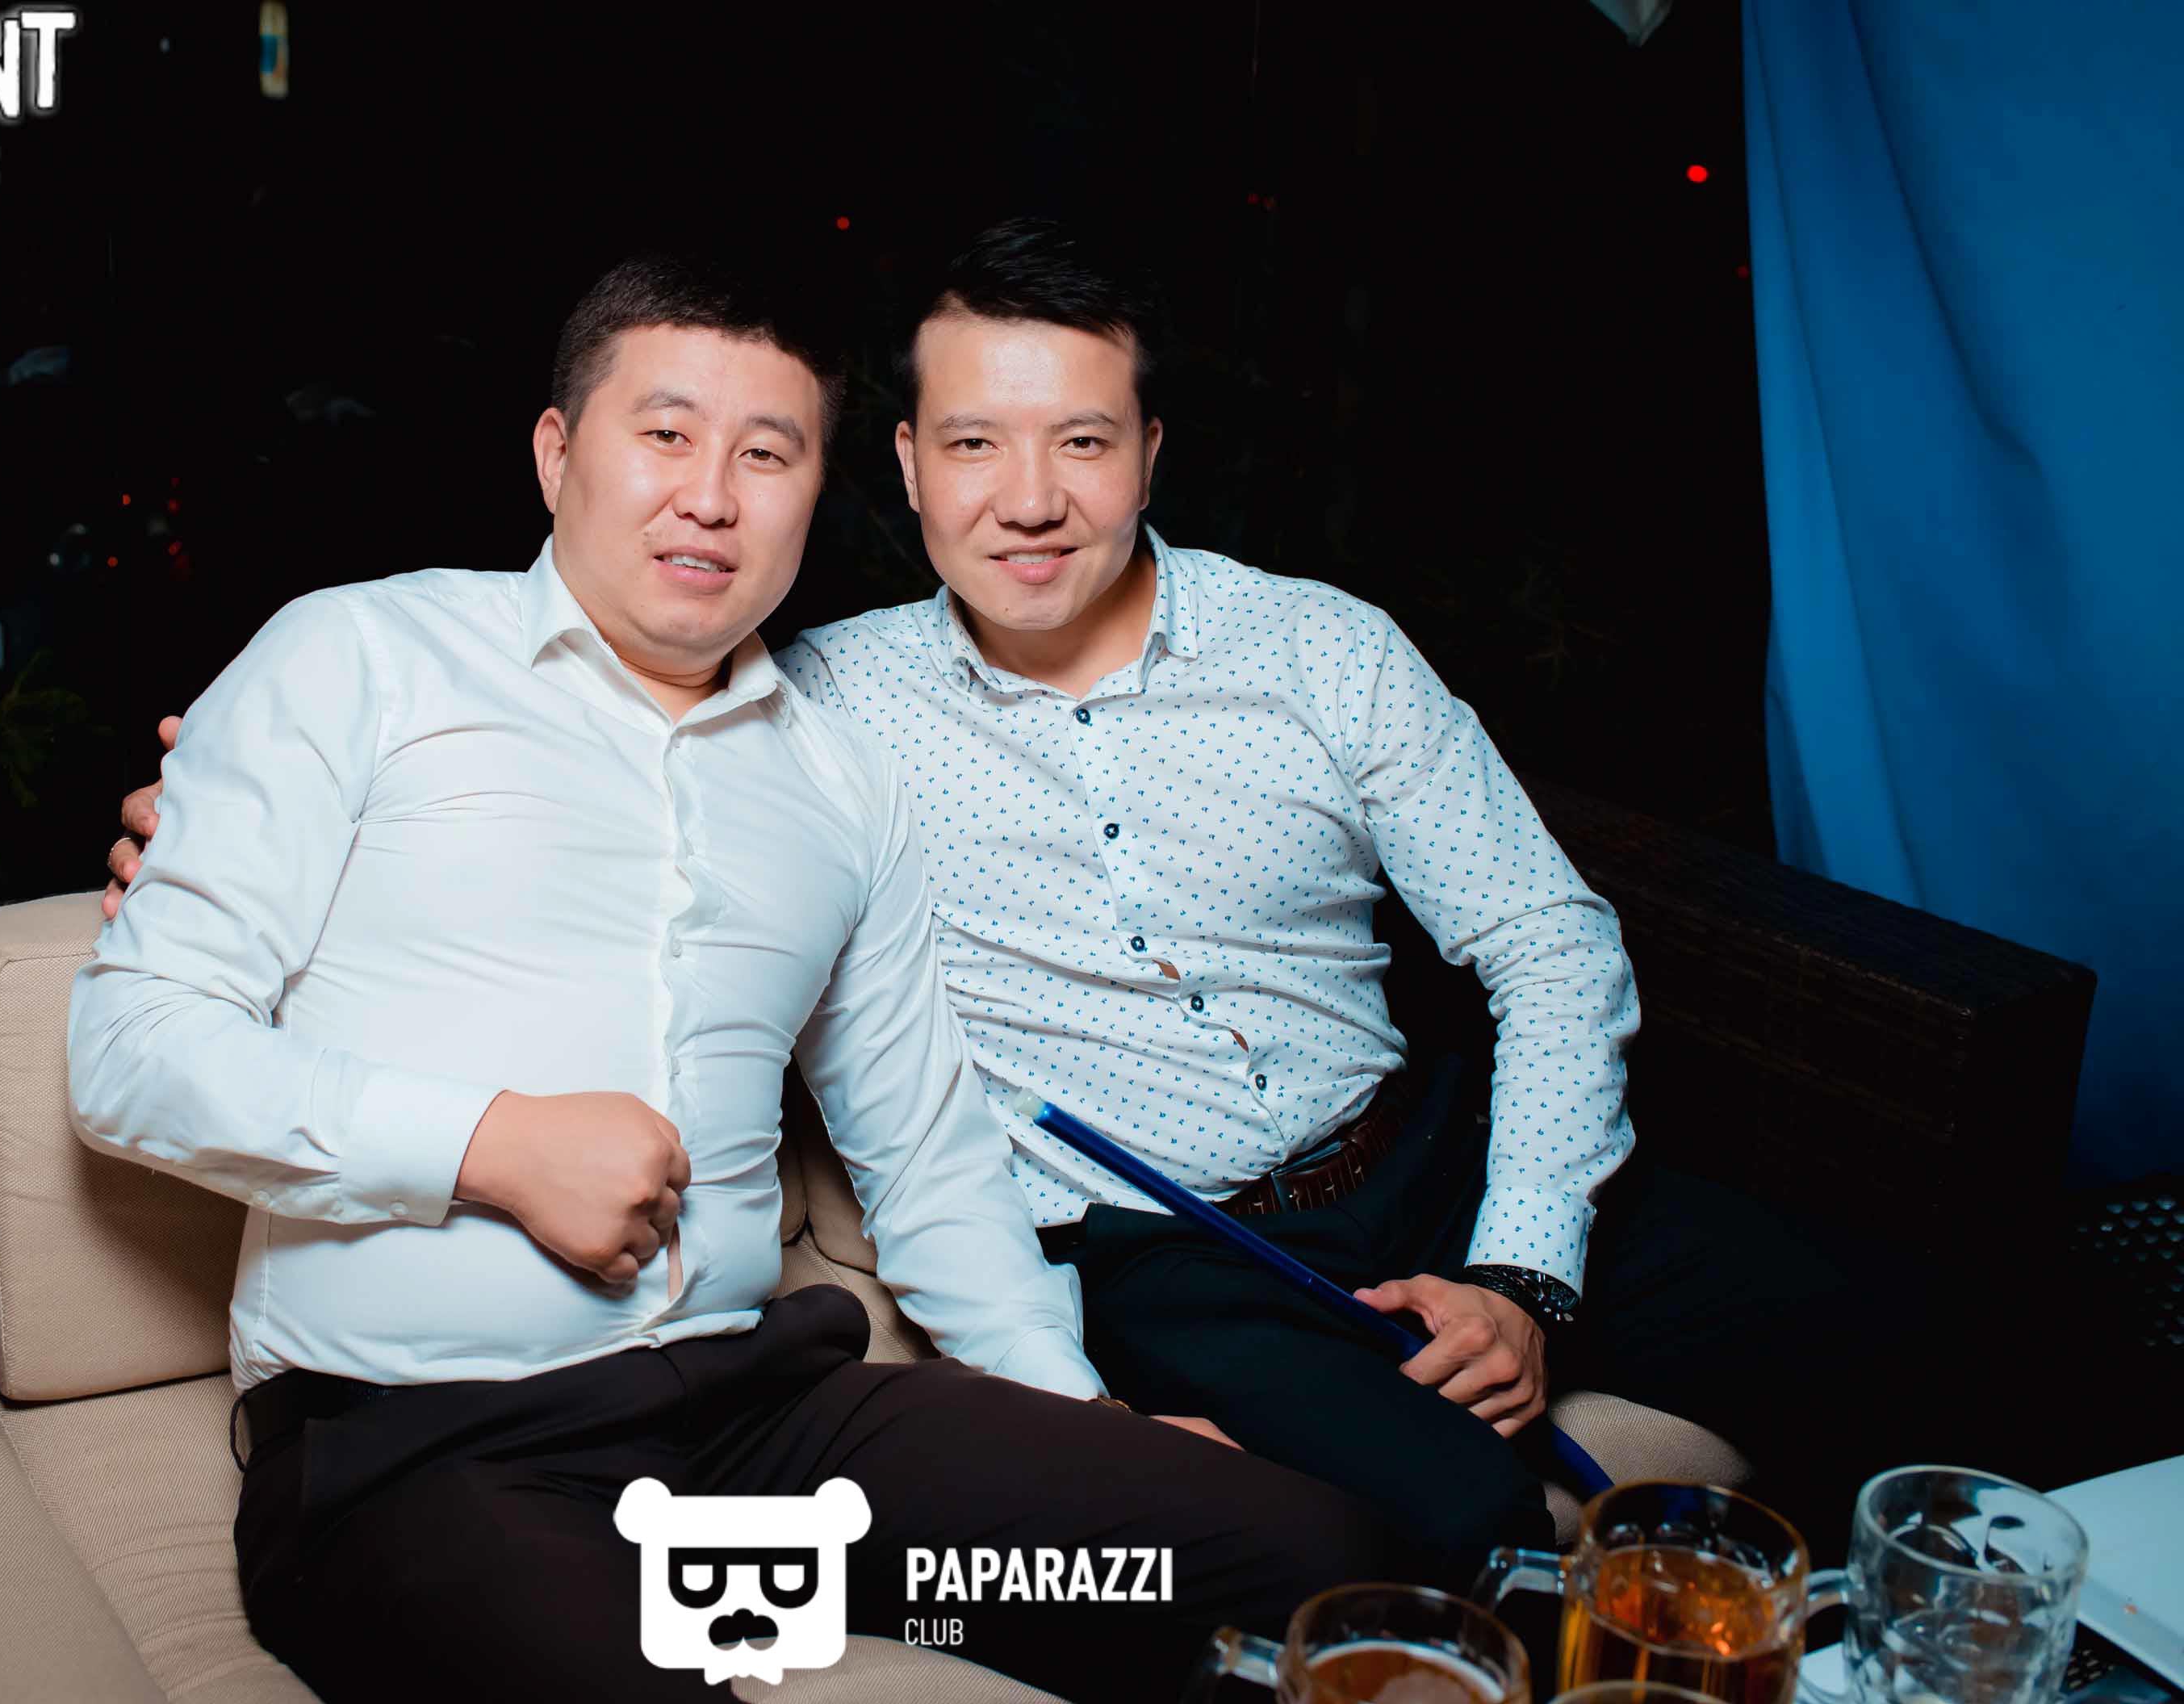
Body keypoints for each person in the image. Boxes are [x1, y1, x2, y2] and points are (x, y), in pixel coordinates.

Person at [107, 222, 1876, 1567]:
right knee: (1440, 1524)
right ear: (900, 469)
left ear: (1151, 450)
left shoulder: (1322, 650)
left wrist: (1522, 1269)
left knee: (1882, 1321)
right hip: (1169, 1244)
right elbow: (590, 748)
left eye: (1081, 443)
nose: (1029, 502)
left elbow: (1547, 939)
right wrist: (210, 804)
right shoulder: (818, 706)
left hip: (1423, 1143)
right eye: (972, 445)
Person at [69, 250, 1404, 1704]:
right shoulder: (361, 657)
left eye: (766, 455)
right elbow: (134, 1046)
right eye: (666, 434)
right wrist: (491, 1143)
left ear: (816, 494)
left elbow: (929, 1162)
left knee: (1306, 1566)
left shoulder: (839, 777)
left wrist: (1092, 1432)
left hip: (763, 1446)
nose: (710, 495)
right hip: (423, 1452)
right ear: (557, 453)